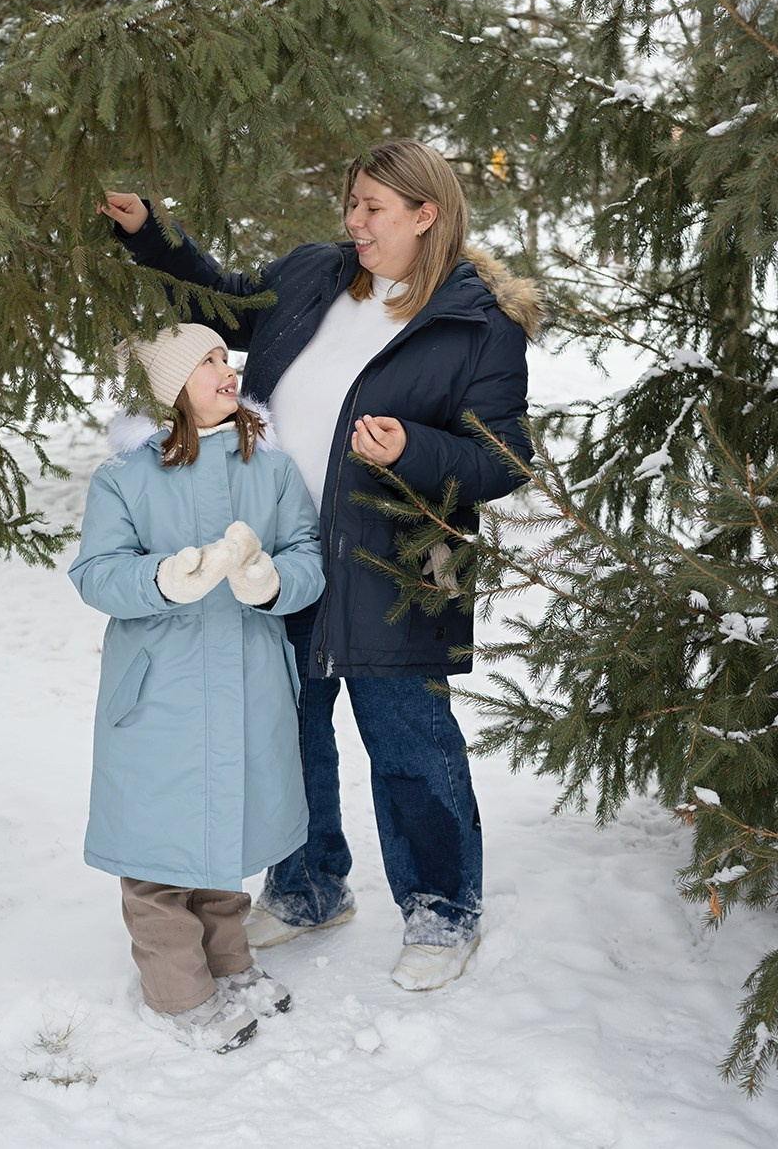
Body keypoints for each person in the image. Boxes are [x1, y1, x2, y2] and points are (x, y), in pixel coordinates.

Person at [98, 138, 541, 991]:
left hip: (396, 568)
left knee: (408, 740)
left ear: (427, 214)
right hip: (279, 553)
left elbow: (505, 457)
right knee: (287, 730)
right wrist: (153, 235)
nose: (354, 221)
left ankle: (442, 910)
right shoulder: (313, 274)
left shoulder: (474, 324)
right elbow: (227, 304)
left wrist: (415, 447)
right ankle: (305, 887)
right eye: (352, 203)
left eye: (374, 208)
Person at [68, 323, 325, 1052]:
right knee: (157, 851)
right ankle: (177, 993)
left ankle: (228, 963)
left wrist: (273, 580)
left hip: (247, 675)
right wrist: (160, 579)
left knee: (225, 829)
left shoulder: (270, 470)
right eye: (207, 361)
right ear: (172, 388)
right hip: (161, 689)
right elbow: (96, 574)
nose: (226, 369)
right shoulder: (124, 478)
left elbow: (306, 551)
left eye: (226, 356)